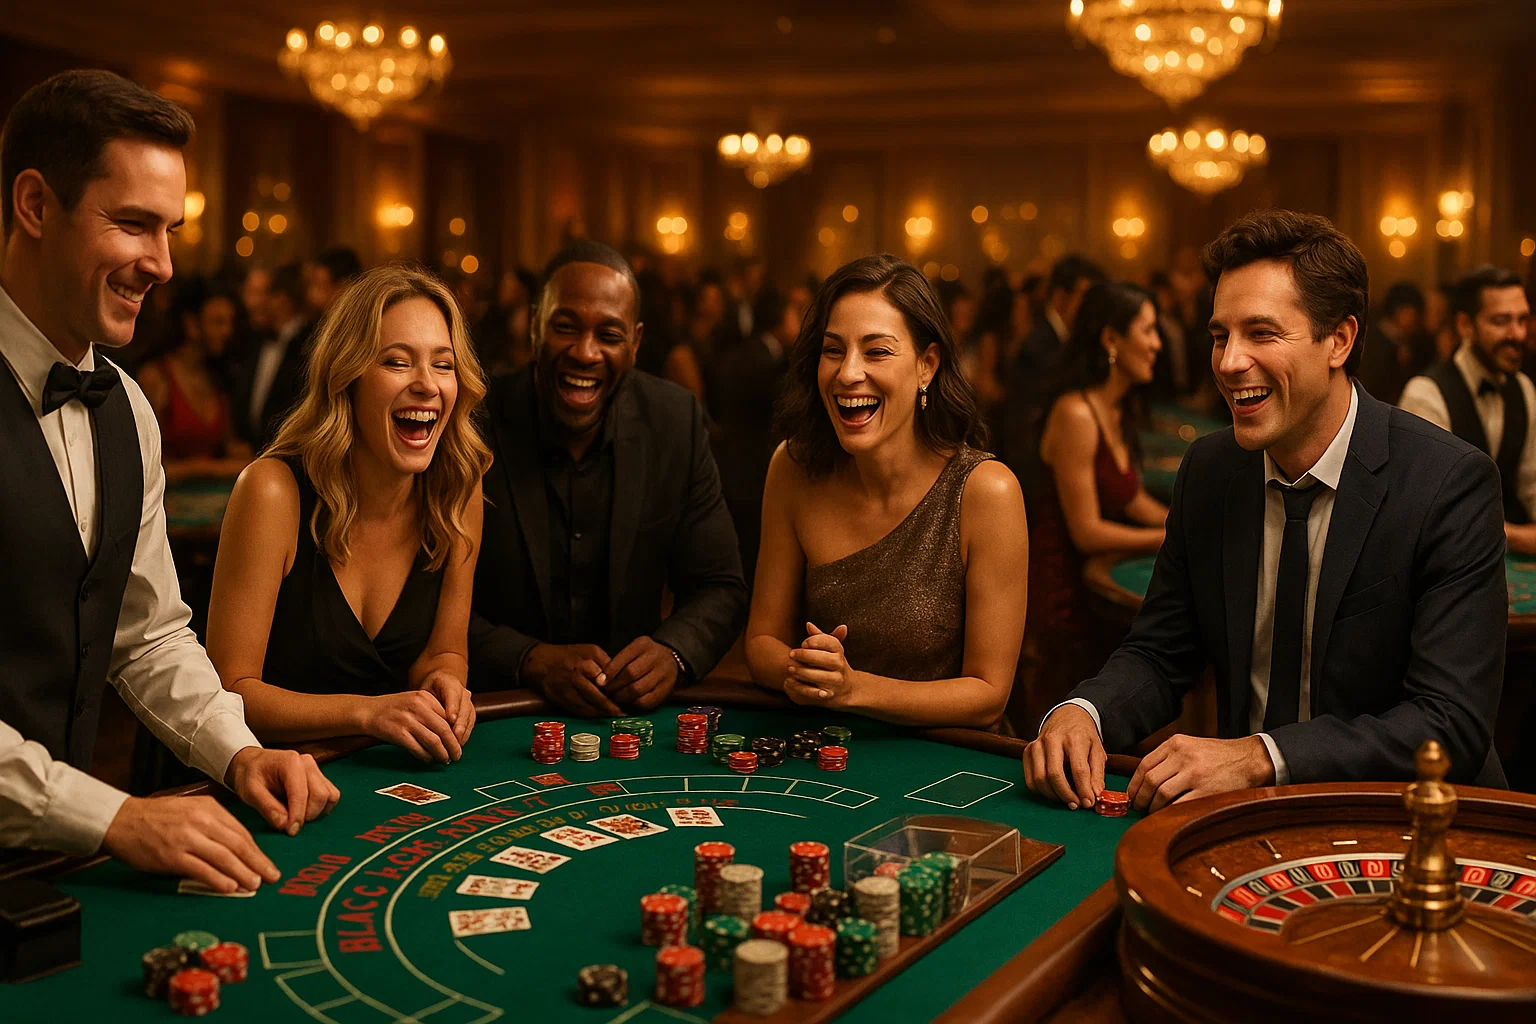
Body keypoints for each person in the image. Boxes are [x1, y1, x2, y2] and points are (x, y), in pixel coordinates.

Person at [1024, 210, 1507, 814]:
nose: (1229, 362)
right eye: (1220, 336)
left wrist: (1261, 757)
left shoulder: (1447, 483)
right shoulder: (1211, 470)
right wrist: (1085, 711)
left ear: (1339, 340)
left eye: (1261, 333)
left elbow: (1449, 720)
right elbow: (1160, 652)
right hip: (1247, 821)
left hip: (1401, 819)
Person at [0, 69, 336, 891]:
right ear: (35, 204)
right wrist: (115, 816)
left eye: (171, 230)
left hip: (48, 870)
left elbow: (146, 635)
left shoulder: (128, 408)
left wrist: (240, 750)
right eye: (133, 224)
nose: (163, 263)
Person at [206, 265, 490, 761]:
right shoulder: (273, 491)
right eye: (397, 362)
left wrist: (445, 679)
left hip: (382, 773)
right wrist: (367, 712)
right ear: (348, 378)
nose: (427, 384)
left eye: (443, 365)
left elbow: (443, 650)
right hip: (261, 775)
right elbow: (229, 692)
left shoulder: (457, 487)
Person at [745, 254, 1029, 729]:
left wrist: (853, 689)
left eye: (876, 351)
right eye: (833, 350)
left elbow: (987, 695)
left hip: (950, 757)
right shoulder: (793, 468)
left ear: (926, 366)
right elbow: (760, 644)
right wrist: (806, 671)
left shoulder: (986, 491)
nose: (847, 373)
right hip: (826, 745)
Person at [470, 240, 748, 717]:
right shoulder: (473, 422)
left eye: (609, 334)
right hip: (493, 710)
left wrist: (673, 652)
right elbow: (421, 602)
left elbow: (720, 586)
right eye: (565, 327)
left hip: (629, 719)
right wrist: (529, 659)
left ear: (635, 343)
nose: (586, 352)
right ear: (535, 326)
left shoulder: (674, 422)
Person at [1017, 281, 1168, 732]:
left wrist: (1182, 523)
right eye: (1148, 330)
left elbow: (1131, 497)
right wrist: (1167, 536)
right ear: (1111, 339)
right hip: (1064, 595)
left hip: (1091, 589)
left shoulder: (1115, 409)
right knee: (1065, 720)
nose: (1157, 344)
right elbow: (1086, 531)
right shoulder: (1076, 413)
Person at [1398, 265, 1536, 553]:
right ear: (1465, 325)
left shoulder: (1524, 389)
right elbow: (1430, 513)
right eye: (1501, 321)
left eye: (1522, 320)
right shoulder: (1426, 394)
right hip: (1449, 561)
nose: (1518, 334)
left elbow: (1532, 487)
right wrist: (1517, 536)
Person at [713, 281, 812, 588]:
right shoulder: (768, 363)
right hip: (753, 470)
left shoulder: (741, 352)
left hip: (730, 464)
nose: (798, 323)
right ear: (779, 319)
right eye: (794, 315)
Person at [1000, 255, 1106, 486]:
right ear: (1060, 295)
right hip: (1038, 472)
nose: (1091, 308)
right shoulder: (1039, 345)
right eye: (1084, 297)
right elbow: (1025, 424)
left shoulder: (1067, 340)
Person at [136, 276, 253, 480]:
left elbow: (226, 445)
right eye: (218, 322)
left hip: (216, 495)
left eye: (230, 322)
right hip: (169, 496)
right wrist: (212, 468)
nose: (227, 332)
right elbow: (144, 464)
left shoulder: (217, 377)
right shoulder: (156, 377)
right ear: (191, 324)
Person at [234, 261, 311, 449]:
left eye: (265, 295)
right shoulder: (254, 340)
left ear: (282, 299)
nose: (257, 303)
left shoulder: (309, 345)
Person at [1360, 281, 1436, 404]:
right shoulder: (1374, 342)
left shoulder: (1412, 341)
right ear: (1399, 310)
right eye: (1413, 313)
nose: (1416, 319)